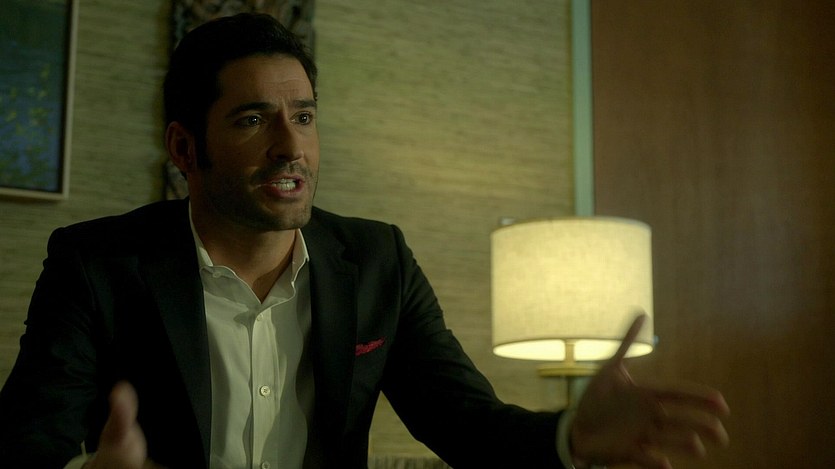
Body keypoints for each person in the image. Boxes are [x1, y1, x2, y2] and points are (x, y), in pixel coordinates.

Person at [0, 13, 729, 469]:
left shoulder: (378, 261)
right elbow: (26, 445)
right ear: (185, 149)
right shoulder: (96, 265)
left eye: (304, 116)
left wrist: (572, 436)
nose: (291, 146)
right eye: (253, 120)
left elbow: (469, 426)